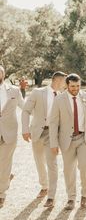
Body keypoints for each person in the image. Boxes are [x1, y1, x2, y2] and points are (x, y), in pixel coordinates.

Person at [49, 73, 86, 210]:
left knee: (84, 167)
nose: (75, 89)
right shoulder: (59, 99)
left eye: (77, 86)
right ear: (67, 85)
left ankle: (85, 196)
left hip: (84, 138)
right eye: (72, 86)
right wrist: (53, 143)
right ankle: (71, 197)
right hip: (67, 140)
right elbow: (53, 123)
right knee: (68, 170)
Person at [21, 71, 67, 207]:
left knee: (52, 164)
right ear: (58, 80)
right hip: (37, 132)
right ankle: (44, 186)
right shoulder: (37, 92)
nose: (65, 84)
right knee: (39, 162)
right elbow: (25, 110)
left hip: (52, 135)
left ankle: (51, 197)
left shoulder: (63, 96)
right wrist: (25, 129)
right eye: (64, 81)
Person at [0, 65, 24, 208]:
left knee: (4, 163)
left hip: (9, 133)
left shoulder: (14, 91)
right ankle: (5, 179)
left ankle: (1, 193)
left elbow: (24, 106)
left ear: (3, 74)